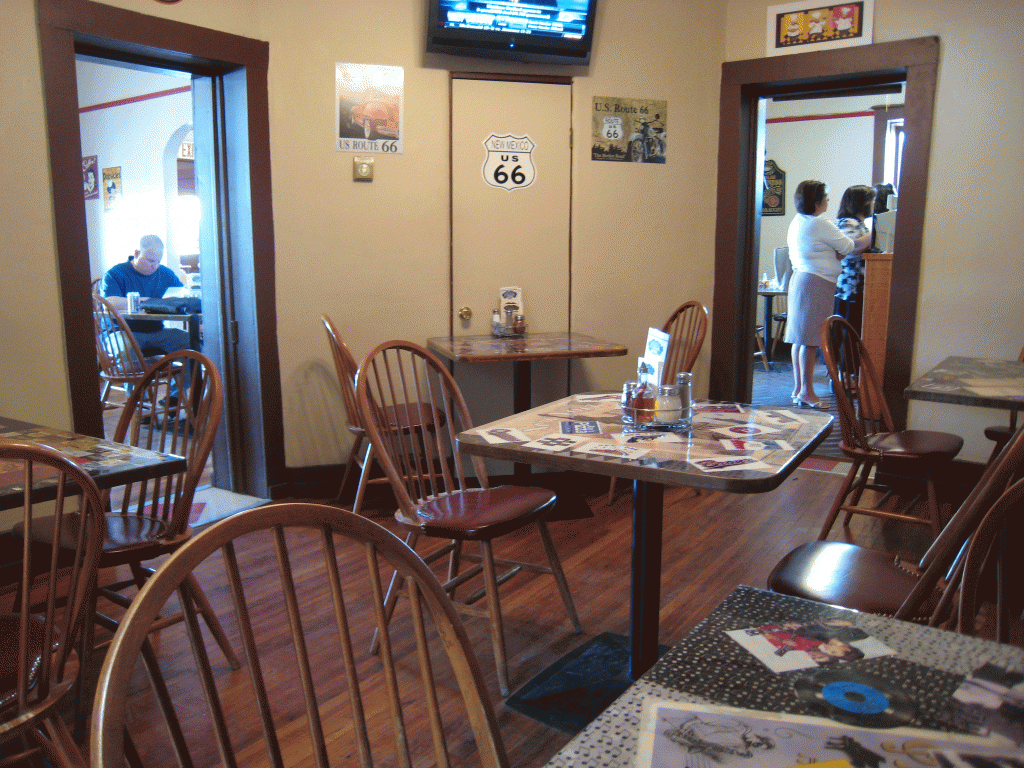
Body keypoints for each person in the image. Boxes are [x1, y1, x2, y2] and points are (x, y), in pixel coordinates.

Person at [784, 180, 871, 408]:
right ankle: (807, 392)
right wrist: (871, 236)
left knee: (800, 338)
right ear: (817, 201)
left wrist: (838, 250)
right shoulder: (820, 223)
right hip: (816, 282)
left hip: (803, 280)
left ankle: (799, 389)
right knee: (810, 340)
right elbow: (849, 247)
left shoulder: (799, 221)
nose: (828, 200)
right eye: (825, 197)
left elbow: (841, 249)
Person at [101, 234, 190, 357]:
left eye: (158, 262)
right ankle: (141, 371)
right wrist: (146, 302)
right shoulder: (115, 273)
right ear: (137, 253)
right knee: (126, 347)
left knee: (191, 341)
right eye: (151, 261)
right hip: (120, 332)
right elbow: (108, 304)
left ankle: (180, 372)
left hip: (156, 331)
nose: (155, 266)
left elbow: (182, 295)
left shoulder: (165, 273)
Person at [833, 185, 877, 333]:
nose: (874, 204)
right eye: (872, 200)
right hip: (850, 287)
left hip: (858, 286)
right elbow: (851, 248)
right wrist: (876, 230)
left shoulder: (859, 224)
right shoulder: (846, 223)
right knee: (849, 334)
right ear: (862, 203)